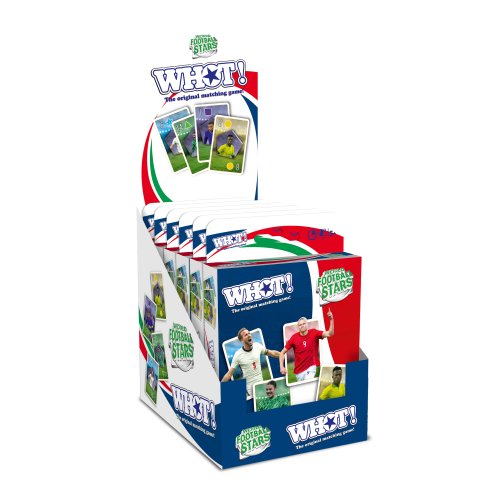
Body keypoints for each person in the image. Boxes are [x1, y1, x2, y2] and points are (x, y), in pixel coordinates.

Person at [222, 328, 280, 397]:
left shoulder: (257, 346)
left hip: (262, 387)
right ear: (241, 340)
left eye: (249, 333)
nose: (249, 335)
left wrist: (284, 355)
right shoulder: (238, 355)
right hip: (250, 393)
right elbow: (229, 374)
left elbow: (272, 353)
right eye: (245, 335)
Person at [279, 310, 334, 382]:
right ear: (298, 327)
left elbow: (330, 334)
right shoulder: (294, 338)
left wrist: (331, 319)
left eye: (303, 324)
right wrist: (281, 367)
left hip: (311, 367)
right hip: (299, 371)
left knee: (309, 381)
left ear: (307, 324)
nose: (302, 326)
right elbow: (282, 352)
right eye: (300, 325)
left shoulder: (314, 332)